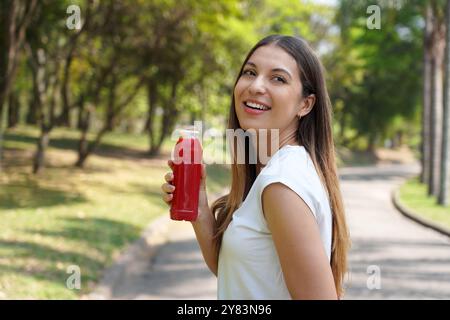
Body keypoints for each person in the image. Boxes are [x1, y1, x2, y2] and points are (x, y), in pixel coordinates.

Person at [161, 34, 350, 300]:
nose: (256, 86)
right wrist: (199, 208)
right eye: (250, 72)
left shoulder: (282, 182)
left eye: (278, 78)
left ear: (305, 104)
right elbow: (239, 273)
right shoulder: (274, 171)